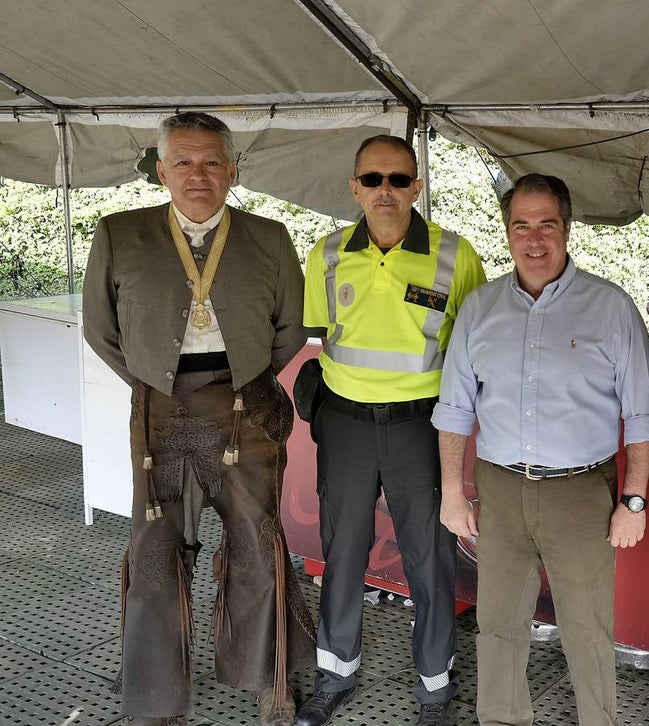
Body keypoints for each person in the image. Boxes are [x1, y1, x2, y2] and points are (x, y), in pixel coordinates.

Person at [82, 111, 315, 726]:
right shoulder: (119, 233)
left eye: (212, 161)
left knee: (257, 545)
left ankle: (271, 679)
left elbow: (290, 330)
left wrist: (240, 379)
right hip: (158, 412)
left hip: (244, 411)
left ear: (232, 170)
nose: (197, 174)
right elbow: (101, 331)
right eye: (182, 161)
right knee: (155, 552)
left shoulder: (269, 237)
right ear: (161, 170)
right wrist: (157, 380)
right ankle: (157, 698)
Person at [433, 173, 649, 726]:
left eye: (547, 225)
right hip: (500, 488)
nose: (534, 239)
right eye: (521, 226)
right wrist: (451, 494)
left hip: (582, 492)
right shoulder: (480, 308)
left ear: (567, 228)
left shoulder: (611, 308)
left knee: (587, 627)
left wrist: (632, 501)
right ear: (508, 232)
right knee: (498, 624)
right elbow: (456, 407)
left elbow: (642, 414)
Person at [294, 135, 486, 726]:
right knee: (342, 551)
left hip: (420, 429)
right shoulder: (324, 254)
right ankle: (336, 674)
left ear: (417, 187)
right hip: (346, 425)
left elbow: (472, 351)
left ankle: (434, 689)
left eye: (399, 180)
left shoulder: (456, 256)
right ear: (354, 187)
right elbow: (325, 340)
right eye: (373, 179)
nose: (386, 190)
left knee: (429, 559)